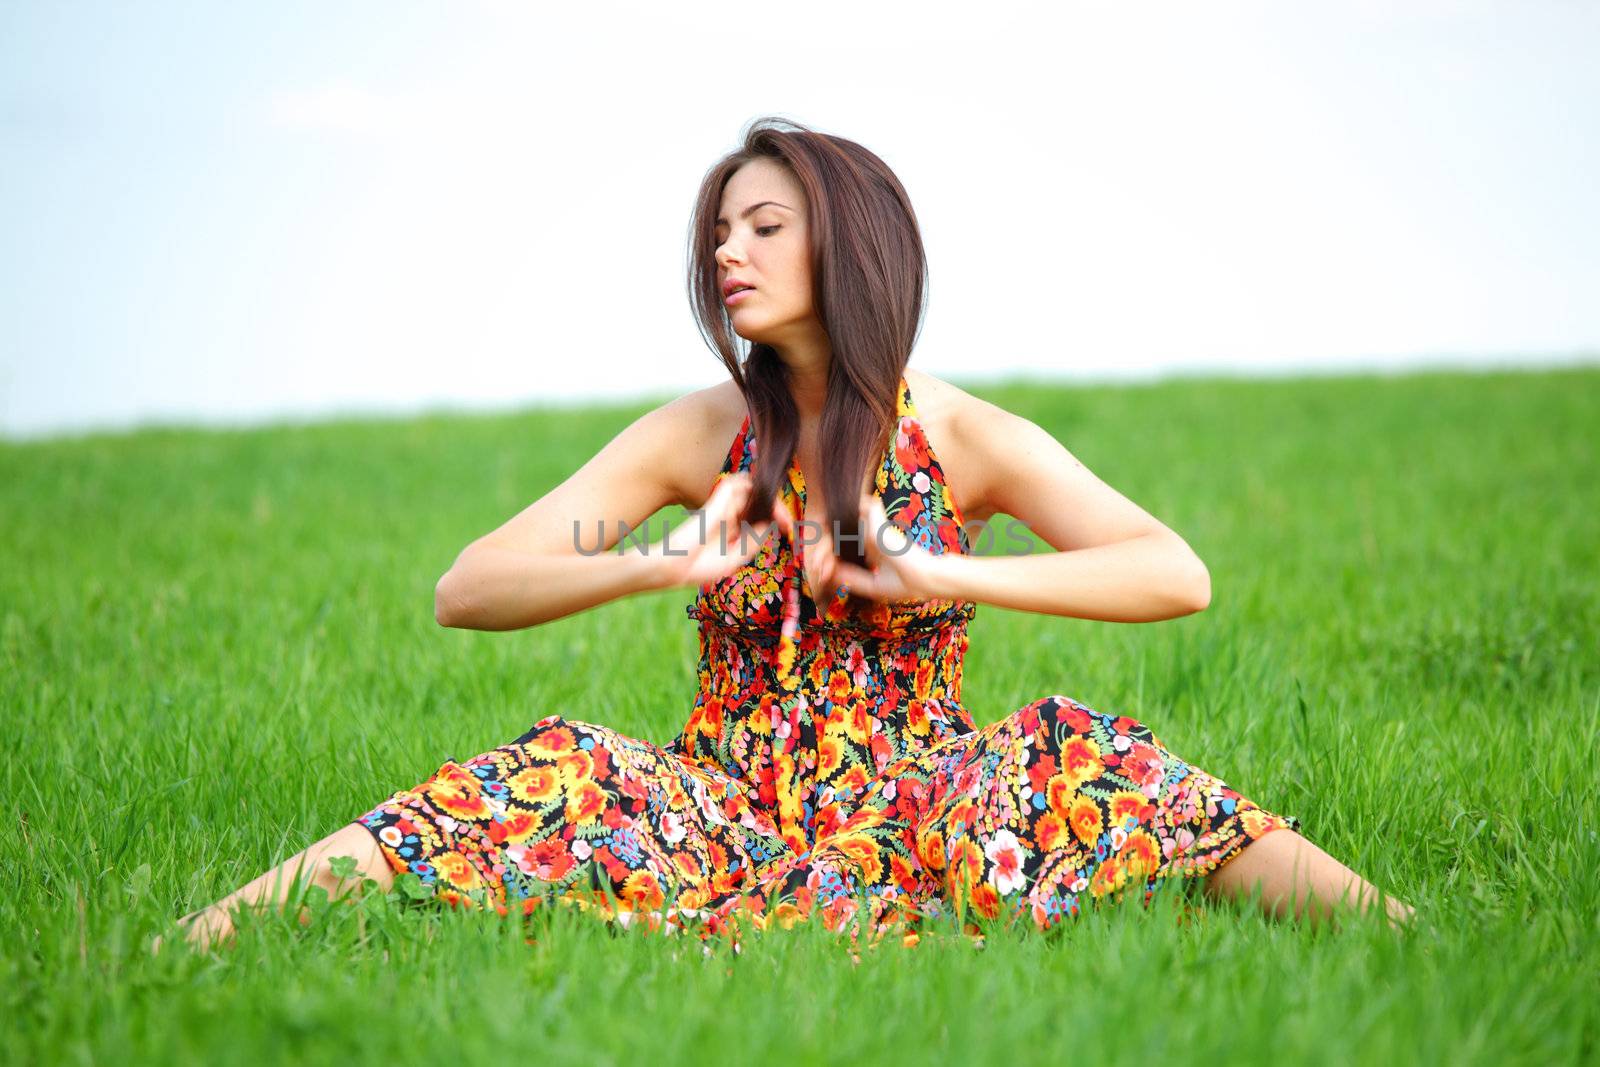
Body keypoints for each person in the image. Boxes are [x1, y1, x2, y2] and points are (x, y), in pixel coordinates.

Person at [167, 116, 1412, 952]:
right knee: (550, 765)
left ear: (847, 239)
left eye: (763, 224)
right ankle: (188, 947)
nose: (728, 251)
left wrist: (937, 567)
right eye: (720, 231)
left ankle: (1407, 941)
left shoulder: (960, 438)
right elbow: (470, 584)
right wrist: (663, 559)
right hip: (713, 806)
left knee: (1077, 748)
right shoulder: (692, 436)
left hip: (927, 802)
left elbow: (1171, 571)